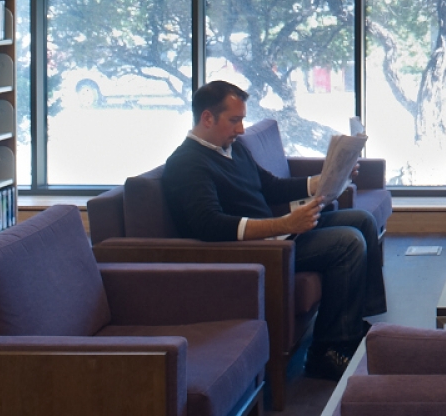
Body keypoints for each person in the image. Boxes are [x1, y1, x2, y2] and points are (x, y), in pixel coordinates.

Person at [162, 80, 387, 381]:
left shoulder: (233, 149)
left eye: (242, 120)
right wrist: (284, 225)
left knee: (361, 220)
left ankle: (353, 325)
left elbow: (270, 187)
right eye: (234, 120)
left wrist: (325, 179)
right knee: (346, 243)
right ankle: (326, 352)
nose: (241, 129)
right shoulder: (187, 164)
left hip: (274, 238)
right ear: (207, 118)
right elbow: (209, 224)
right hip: (254, 251)